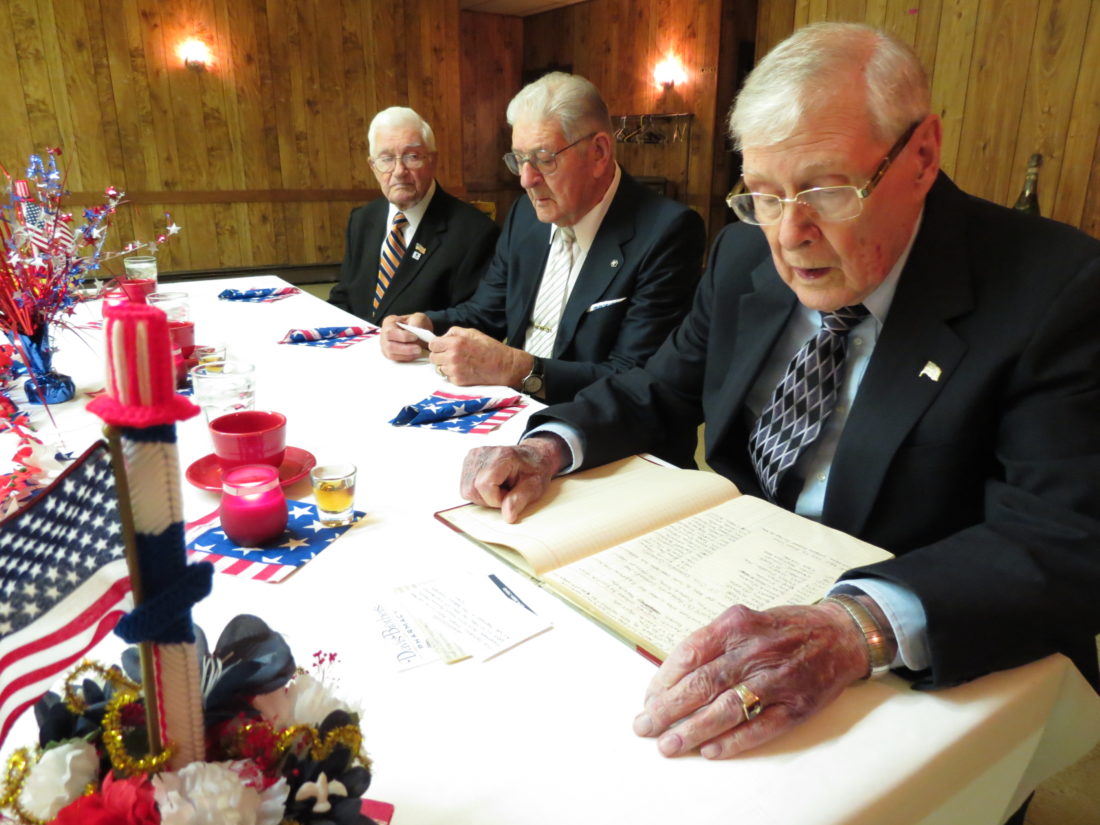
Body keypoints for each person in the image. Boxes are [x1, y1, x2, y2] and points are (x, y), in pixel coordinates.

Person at [457, 20, 1100, 778]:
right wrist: (546, 447)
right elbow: (661, 386)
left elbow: (1061, 537)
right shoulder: (741, 254)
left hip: (922, 659)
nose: (791, 234)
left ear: (922, 154)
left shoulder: (1055, 289)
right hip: (732, 592)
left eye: (827, 189)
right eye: (762, 194)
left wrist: (856, 626)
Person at [379, 73, 706, 405]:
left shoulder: (666, 232)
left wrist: (517, 369)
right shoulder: (526, 214)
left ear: (599, 152)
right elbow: (488, 311)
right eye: (520, 159)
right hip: (513, 405)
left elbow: (634, 378)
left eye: (544, 159)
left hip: (596, 421)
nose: (526, 179)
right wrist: (426, 326)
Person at [328, 107, 499, 325]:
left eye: (412, 157)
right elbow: (344, 296)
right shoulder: (361, 220)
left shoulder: (474, 233)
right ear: (372, 166)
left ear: (433, 161)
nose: (399, 171)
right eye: (386, 159)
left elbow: (478, 319)